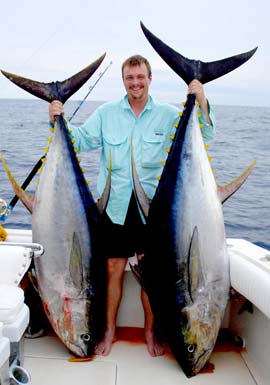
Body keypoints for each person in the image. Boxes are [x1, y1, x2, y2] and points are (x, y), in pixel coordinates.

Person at [49, 55, 215, 357]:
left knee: (151, 274)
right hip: (112, 207)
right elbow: (82, 141)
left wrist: (201, 101)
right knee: (113, 268)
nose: (135, 83)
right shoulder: (107, 113)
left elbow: (206, 134)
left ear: (150, 78)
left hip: (153, 211)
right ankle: (110, 331)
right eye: (130, 78)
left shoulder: (166, 115)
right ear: (124, 80)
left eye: (140, 77)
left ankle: (150, 332)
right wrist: (58, 118)